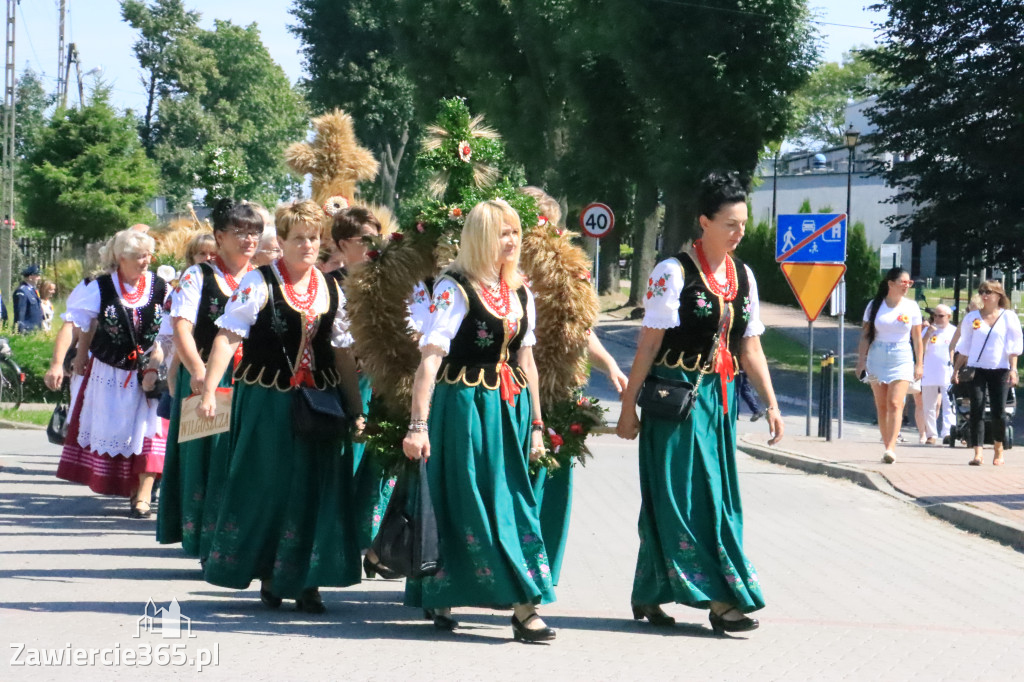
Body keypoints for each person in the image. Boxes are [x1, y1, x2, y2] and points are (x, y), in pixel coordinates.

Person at [616, 171, 783, 635]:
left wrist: (771, 403)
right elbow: (647, 347)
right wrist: (628, 408)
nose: (739, 232)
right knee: (678, 498)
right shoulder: (672, 272)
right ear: (704, 222)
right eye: (730, 223)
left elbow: (750, 348)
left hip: (719, 398)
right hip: (675, 398)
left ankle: (657, 592)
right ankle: (719, 599)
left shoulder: (742, 276)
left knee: (717, 495)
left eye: (743, 223)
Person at [197, 200, 364, 613]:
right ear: (283, 242)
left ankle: (307, 580)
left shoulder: (331, 288)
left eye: (314, 238)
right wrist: (207, 390)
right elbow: (227, 337)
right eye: (299, 238)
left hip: (320, 402)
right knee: (268, 486)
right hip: (267, 403)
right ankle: (271, 573)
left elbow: (342, 353)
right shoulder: (258, 282)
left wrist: (356, 407)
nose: (308, 245)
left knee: (314, 488)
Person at [402, 199, 557, 643]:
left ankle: (525, 604)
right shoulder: (454, 288)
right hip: (463, 407)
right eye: (501, 232)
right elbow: (430, 359)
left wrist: (537, 426)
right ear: (481, 237)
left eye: (514, 232)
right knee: (462, 497)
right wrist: (418, 425)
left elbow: (526, 358)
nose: (511, 240)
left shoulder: (519, 290)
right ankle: (446, 590)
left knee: (512, 502)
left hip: (508, 409)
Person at [157, 200, 260, 561]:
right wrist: (200, 373)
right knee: (204, 456)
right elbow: (181, 327)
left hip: (250, 378)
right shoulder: (197, 275)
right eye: (240, 233)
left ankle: (233, 538)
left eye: (254, 233)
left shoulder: (260, 276)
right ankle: (202, 540)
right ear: (220, 237)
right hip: (204, 374)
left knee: (238, 457)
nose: (249, 240)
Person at [55, 229, 166, 518]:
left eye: (148, 255)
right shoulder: (101, 287)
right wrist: (78, 357)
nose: (146, 261)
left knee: (149, 433)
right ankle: (128, 488)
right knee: (119, 432)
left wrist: (154, 367)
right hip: (109, 372)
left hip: (147, 372)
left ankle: (142, 496)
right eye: (139, 256)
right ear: (121, 258)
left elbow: (166, 335)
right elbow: (83, 323)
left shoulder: (160, 286)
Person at [323, 206, 399, 577]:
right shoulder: (328, 284)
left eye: (376, 237)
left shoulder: (389, 281)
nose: (373, 246)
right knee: (345, 461)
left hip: (382, 382)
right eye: (363, 240)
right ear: (341, 245)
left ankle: (374, 544)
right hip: (340, 384)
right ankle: (341, 543)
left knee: (380, 464)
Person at [855, 268, 923, 464]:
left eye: (909, 283)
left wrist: (919, 364)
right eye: (903, 282)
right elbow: (866, 336)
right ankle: (886, 445)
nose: (907, 286)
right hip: (877, 355)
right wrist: (861, 361)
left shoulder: (911, 307)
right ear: (890, 283)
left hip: (901, 355)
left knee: (895, 403)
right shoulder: (874, 305)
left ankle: (892, 447)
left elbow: (917, 339)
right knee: (882, 404)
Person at [953, 280, 1022, 466]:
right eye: (982, 291)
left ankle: (998, 448)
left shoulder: (1008, 317)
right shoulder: (971, 318)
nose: (985, 295)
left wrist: (1013, 370)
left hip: (1000, 369)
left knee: (999, 412)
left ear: (999, 295)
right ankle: (978, 452)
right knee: (977, 408)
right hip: (977, 369)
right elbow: (965, 346)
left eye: (989, 292)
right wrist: (956, 369)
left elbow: (1013, 347)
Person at [920, 304, 956, 445]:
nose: (937, 318)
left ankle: (948, 432)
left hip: (948, 373)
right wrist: (928, 334)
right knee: (929, 405)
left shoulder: (954, 331)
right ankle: (931, 434)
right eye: (935, 315)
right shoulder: (928, 331)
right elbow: (920, 349)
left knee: (949, 404)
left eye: (941, 316)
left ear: (948, 317)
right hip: (929, 372)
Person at [13, 265, 44, 333]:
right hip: (27, 331)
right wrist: (19, 330)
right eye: (37, 276)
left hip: (35, 330)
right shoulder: (22, 291)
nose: (39, 278)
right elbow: (20, 313)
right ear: (30, 277)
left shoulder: (33, 290)